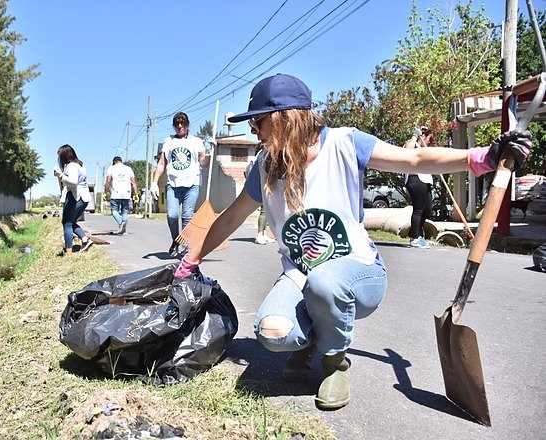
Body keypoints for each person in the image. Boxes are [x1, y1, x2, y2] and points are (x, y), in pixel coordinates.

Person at [172, 73, 532, 410]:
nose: (255, 131)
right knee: (273, 331)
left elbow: (415, 158)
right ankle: (315, 337)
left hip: (357, 271)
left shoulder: (345, 143)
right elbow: (232, 216)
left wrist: (480, 157)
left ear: (284, 118)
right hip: (302, 274)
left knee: (325, 282)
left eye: (259, 121)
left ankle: (335, 361)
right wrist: (193, 258)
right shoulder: (268, 165)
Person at [150, 111, 211, 257]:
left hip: (192, 183)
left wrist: (208, 151)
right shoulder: (169, 142)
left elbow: (204, 163)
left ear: (187, 125)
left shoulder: (196, 141)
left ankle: (185, 246)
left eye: (182, 123)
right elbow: (162, 163)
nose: (180, 126)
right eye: (177, 123)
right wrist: (154, 182)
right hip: (173, 183)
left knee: (187, 215)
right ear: (174, 126)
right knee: (172, 215)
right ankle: (176, 240)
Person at [54, 144, 93, 254]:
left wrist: (60, 175)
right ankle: (85, 240)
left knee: (67, 223)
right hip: (84, 196)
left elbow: (73, 181)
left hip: (75, 196)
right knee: (71, 222)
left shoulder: (71, 166)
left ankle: (68, 252)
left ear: (64, 156)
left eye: (60, 156)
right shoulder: (80, 164)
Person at [404, 126, 435, 249]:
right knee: (418, 210)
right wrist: (415, 135)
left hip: (425, 180)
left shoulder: (424, 149)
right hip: (415, 179)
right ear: (423, 137)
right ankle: (415, 238)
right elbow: (408, 149)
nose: (430, 143)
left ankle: (415, 233)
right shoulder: (412, 145)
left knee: (427, 208)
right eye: (429, 139)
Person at [246, 144, 275, 245]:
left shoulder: (260, 154)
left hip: (266, 184)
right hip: (263, 184)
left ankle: (263, 233)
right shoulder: (262, 155)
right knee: (264, 211)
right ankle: (260, 234)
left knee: (267, 211)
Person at [105, 156, 137, 235]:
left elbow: (108, 181)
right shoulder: (128, 169)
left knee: (114, 211)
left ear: (114, 162)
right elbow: (133, 182)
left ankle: (121, 223)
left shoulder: (111, 168)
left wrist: (105, 191)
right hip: (126, 193)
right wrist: (135, 193)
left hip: (116, 193)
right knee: (125, 211)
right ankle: (124, 229)